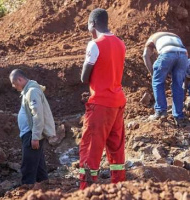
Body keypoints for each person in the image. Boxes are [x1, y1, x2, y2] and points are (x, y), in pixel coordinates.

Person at [79, 8, 126, 190]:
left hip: (100, 103)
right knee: (116, 149)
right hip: (117, 103)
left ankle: (86, 191)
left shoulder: (95, 44)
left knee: (91, 148)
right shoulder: (121, 44)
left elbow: (84, 77)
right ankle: (120, 188)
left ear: (92, 24)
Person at [9, 69, 56, 185]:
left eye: (15, 84)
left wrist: (35, 137)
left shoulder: (32, 91)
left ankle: (26, 193)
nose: (15, 87)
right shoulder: (28, 91)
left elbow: (37, 115)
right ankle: (45, 193)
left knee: (28, 168)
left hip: (31, 134)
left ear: (20, 79)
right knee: (39, 169)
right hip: (31, 133)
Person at [143, 32, 188, 125]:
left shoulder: (152, 38)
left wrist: (152, 73)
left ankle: (160, 111)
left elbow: (145, 55)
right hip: (184, 55)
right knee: (178, 85)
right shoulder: (175, 36)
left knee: (157, 83)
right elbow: (179, 53)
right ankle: (179, 117)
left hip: (167, 54)